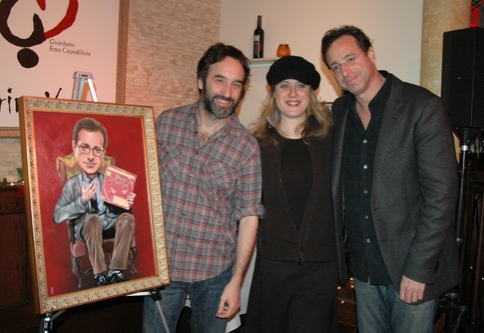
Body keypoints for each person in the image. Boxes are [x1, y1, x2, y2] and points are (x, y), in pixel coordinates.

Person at [320, 25, 460, 332]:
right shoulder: (339, 112)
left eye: (350, 58)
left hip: (410, 269)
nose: (344, 71)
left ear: (370, 54)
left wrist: (419, 269)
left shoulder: (422, 106)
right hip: (364, 267)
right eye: (335, 66)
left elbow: (441, 197)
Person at [142, 43, 263, 333]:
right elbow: (142, 185)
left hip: (213, 272)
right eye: (220, 80)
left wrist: (236, 283)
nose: (228, 92)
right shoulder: (165, 124)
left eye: (237, 84)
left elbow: (248, 216)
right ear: (201, 80)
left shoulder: (247, 147)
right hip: (163, 269)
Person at [244, 56, 347, 333]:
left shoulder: (333, 139)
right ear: (273, 92)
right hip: (274, 266)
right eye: (284, 85)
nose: (292, 93)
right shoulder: (257, 145)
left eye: (301, 86)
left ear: (311, 93)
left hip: (320, 268)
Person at [54, 117, 136, 288]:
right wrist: (81, 200)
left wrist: (125, 204)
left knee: (128, 218)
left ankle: (115, 270)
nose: (91, 157)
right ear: (74, 148)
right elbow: (57, 216)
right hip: (86, 228)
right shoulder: (73, 184)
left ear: (103, 153)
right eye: (84, 148)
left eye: (97, 150)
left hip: (107, 225)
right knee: (92, 219)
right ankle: (99, 273)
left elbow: (117, 213)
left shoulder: (109, 181)